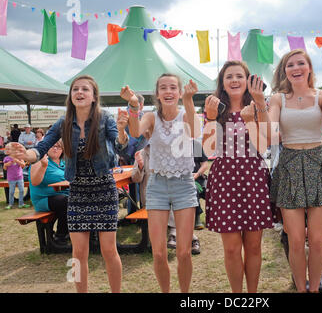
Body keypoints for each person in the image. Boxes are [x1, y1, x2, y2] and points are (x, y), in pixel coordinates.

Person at [6, 75, 128, 293]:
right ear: (71, 96)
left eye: (85, 89)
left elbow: (120, 148)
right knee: (78, 253)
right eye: (75, 90)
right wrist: (25, 153)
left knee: (109, 250)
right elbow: (40, 149)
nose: (79, 92)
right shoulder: (63, 123)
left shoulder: (105, 119)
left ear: (93, 97)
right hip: (78, 192)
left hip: (104, 190)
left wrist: (121, 131)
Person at [268, 48, 322, 293]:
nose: (296, 68)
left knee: (318, 241)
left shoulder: (321, 95)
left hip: (317, 163)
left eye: (301, 63)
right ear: (285, 71)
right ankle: (301, 289)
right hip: (289, 164)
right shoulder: (278, 98)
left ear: (310, 68)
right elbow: (270, 133)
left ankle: (314, 289)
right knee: (296, 240)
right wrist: (260, 105)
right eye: (290, 65)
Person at [120, 74, 200, 293]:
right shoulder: (151, 118)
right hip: (157, 185)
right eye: (163, 88)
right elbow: (135, 132)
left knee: (183, 252)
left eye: (173, 87)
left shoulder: (186, 114)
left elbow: (195, 131)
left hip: (183, 183)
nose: (168, 91)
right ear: (157, 94)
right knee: (158, 253)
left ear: (180, 92)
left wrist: (190, 100)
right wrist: (134, 105)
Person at [203, 60, 274, 293]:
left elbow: (264, 146)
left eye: (239, 76)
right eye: (229, 76)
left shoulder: (258, 106)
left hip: (253, 179)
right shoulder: (215, 109)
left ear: (247, 81)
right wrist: (211, 118)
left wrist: (252, 119)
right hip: (224, 181)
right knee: (232, 249)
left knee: (253, 246)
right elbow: (207, 150)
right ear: (222, 83)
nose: (234, 80)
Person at [29, 139, 69, 244]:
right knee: (67, 202)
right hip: (44, 199)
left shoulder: (64, 163)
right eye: (53, 146)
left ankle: (88, 233)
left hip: (62, 197)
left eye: (58, 147)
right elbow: (34, 181)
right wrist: (43, 166)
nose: (55, 148)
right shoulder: (40, 161)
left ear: (62, 150)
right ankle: (60, 236)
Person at [3, 144, 29, 209]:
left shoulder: (19, 158)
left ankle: (21, 204)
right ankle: (10, 204)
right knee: (11, 191)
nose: (8, 150)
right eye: (7, 149)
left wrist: (17, 161)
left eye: (10, 149)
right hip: (11, 178)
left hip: (20, 177)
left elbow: (23, 165)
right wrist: (6, 164)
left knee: (22, 190)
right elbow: (4, 168)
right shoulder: (6, 158)